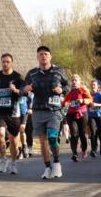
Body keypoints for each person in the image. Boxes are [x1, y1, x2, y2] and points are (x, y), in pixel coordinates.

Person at [23, 45, 69, 179]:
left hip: (54, 110)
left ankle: (56, 162)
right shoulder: (32, 73)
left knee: (53, 138)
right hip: (38, 110)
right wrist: (25, 89)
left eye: (46, 54)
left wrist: (62, 90)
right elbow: (22, 88)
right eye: (41, 54)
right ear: (37, 57)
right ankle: (47, 167)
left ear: (50, 56)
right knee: (43, 141)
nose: (43, 56)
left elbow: (68, 86)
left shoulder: (59, 71)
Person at [0, 53, 24, 175]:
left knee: (14, 141)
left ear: (12, 63)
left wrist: (15, 90)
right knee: (0, 134)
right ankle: (3, 159)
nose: (5, 64)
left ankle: (13, 162)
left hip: (14, 112)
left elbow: (24, 92)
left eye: (8, 62)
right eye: (3, 61)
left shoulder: (18, 77)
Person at [63, 75, 92, 162]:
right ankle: (74, 153)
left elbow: (90, 99)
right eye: (72, 80)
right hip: (71, 114)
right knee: (74, 133)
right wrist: (64, 103)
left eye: (76, 80)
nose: (74, 82)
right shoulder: (70, 90)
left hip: (82, 113)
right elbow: (65, 101)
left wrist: (83, 101)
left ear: (79, 82)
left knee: (82, 134)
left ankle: (83, 150)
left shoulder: (83, 89)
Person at [88, 79, 101, 157]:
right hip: (91, 116)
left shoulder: (100, 94)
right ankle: (93, 149)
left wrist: (96, 104)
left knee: (100, 132)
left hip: (99, 115)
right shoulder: (88, 94)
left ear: (97, 87)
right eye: (92, 85)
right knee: (93, 132)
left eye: (94, 85)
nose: (93, 86)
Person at [18, 91, 34, 159]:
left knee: (24, 130)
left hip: (24, 112)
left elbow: (30, 99)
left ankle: (27, 147)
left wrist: (30, 108)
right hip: (13, 113)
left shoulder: (26, 91)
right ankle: (20, 150)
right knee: (16, 132)